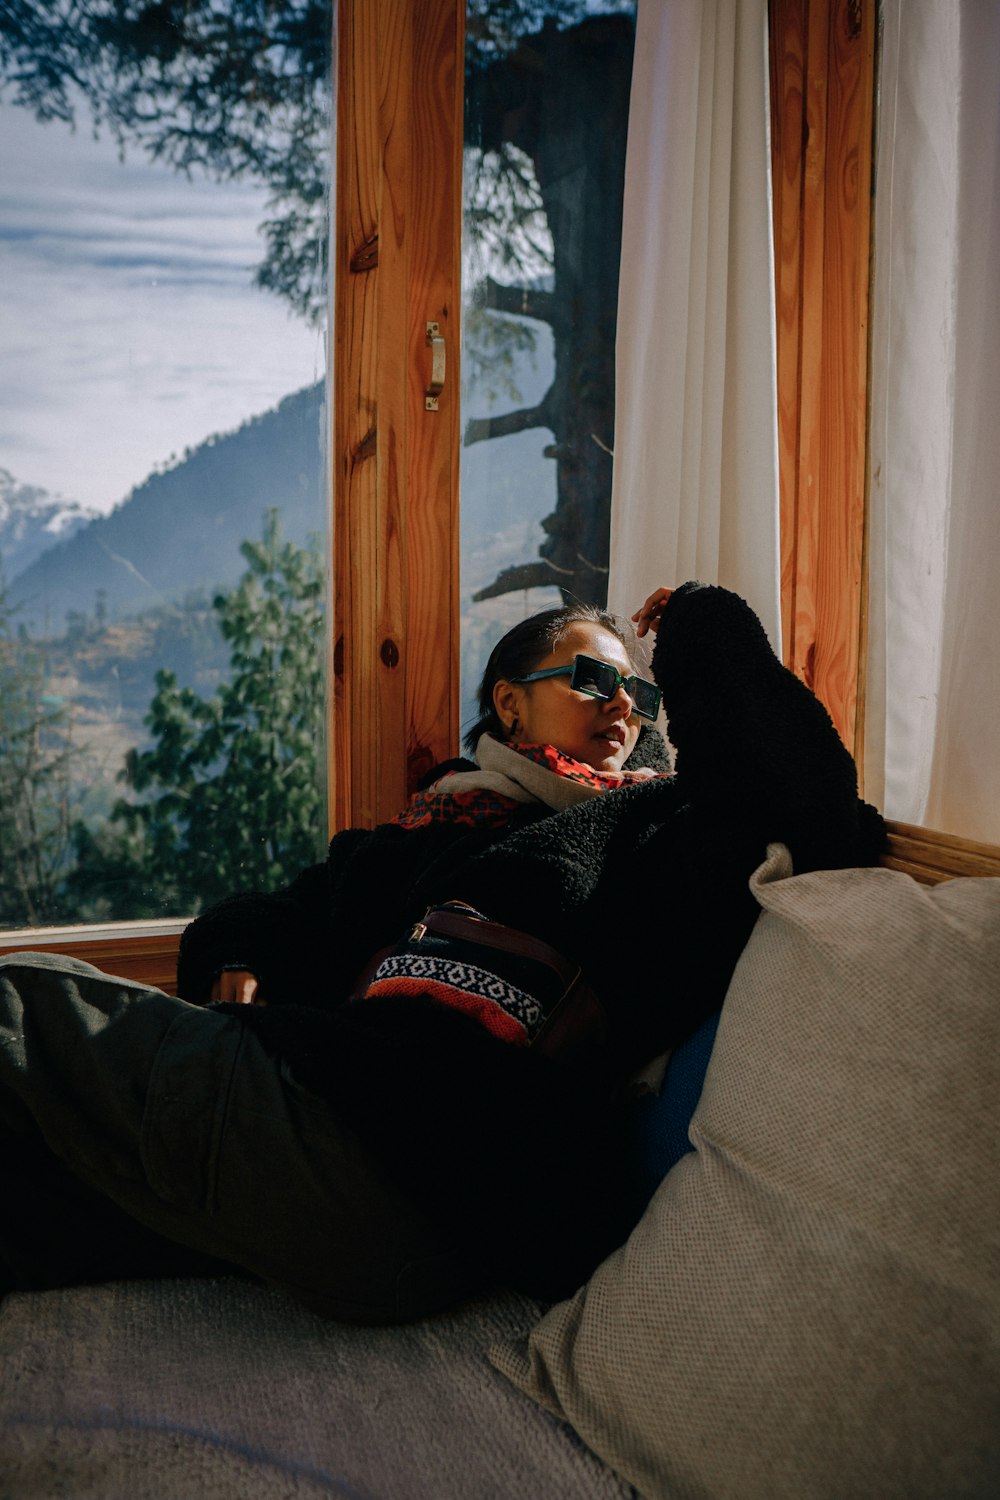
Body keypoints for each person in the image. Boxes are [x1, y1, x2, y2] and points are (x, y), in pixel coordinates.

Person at [0, 582, 885, 1322]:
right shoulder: (429, 832)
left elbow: (810, 802)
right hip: (358, 1162)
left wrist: (701, 620)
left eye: (641, 696)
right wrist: (237, 961)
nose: (624, 705)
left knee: (20, 1002)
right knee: (39, 1192)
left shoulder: (657, 832)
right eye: (591, 679)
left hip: (414, 1162)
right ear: (509, 701)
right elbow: (269, 913)